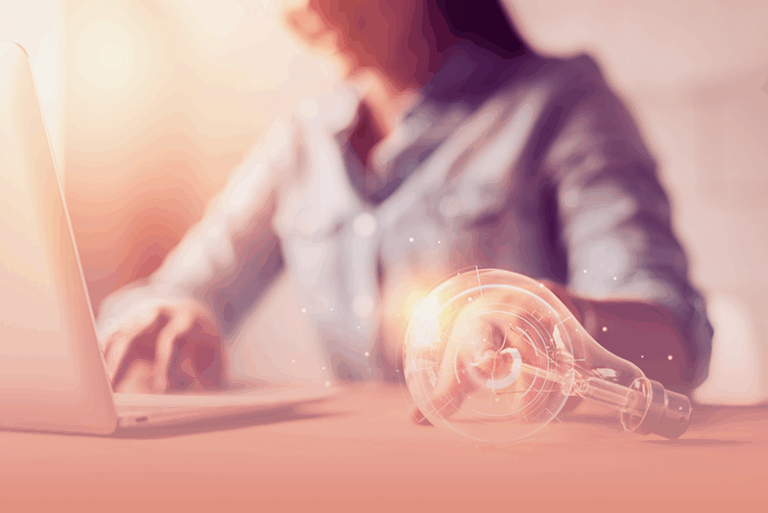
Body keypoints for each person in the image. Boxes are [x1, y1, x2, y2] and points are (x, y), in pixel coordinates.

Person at [96, 0, 713, 399]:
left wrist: (564, 323)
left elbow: (674, 347)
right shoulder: (302, 144)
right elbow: (171, 294)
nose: (304, 10)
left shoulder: (561, 103)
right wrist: (165, 317)